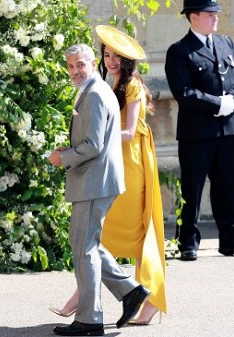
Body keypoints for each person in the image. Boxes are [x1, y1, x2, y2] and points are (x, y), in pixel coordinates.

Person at [49, 25, 166, 325]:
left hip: (118, 168)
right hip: (106, 169)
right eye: (106, 54)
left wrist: (64, 157)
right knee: (89, 241)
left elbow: (105, 139)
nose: (111, 60)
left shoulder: (117, 88)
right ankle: (128, 293)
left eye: (116, 56)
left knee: (98, 241)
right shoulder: (101, 87)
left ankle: (104, 311)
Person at [164, 0, 234, 261]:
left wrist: (233, 101)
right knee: (192, 189)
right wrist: (217, 103)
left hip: (228, 129)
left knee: (227, 187)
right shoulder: (180, 51)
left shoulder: (225, 43)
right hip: (197, 132)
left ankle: (230, 239)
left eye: (216, 13)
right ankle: (188, 242)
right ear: (193, 17)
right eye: (209, 14)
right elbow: (183, 91)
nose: (215, 18)